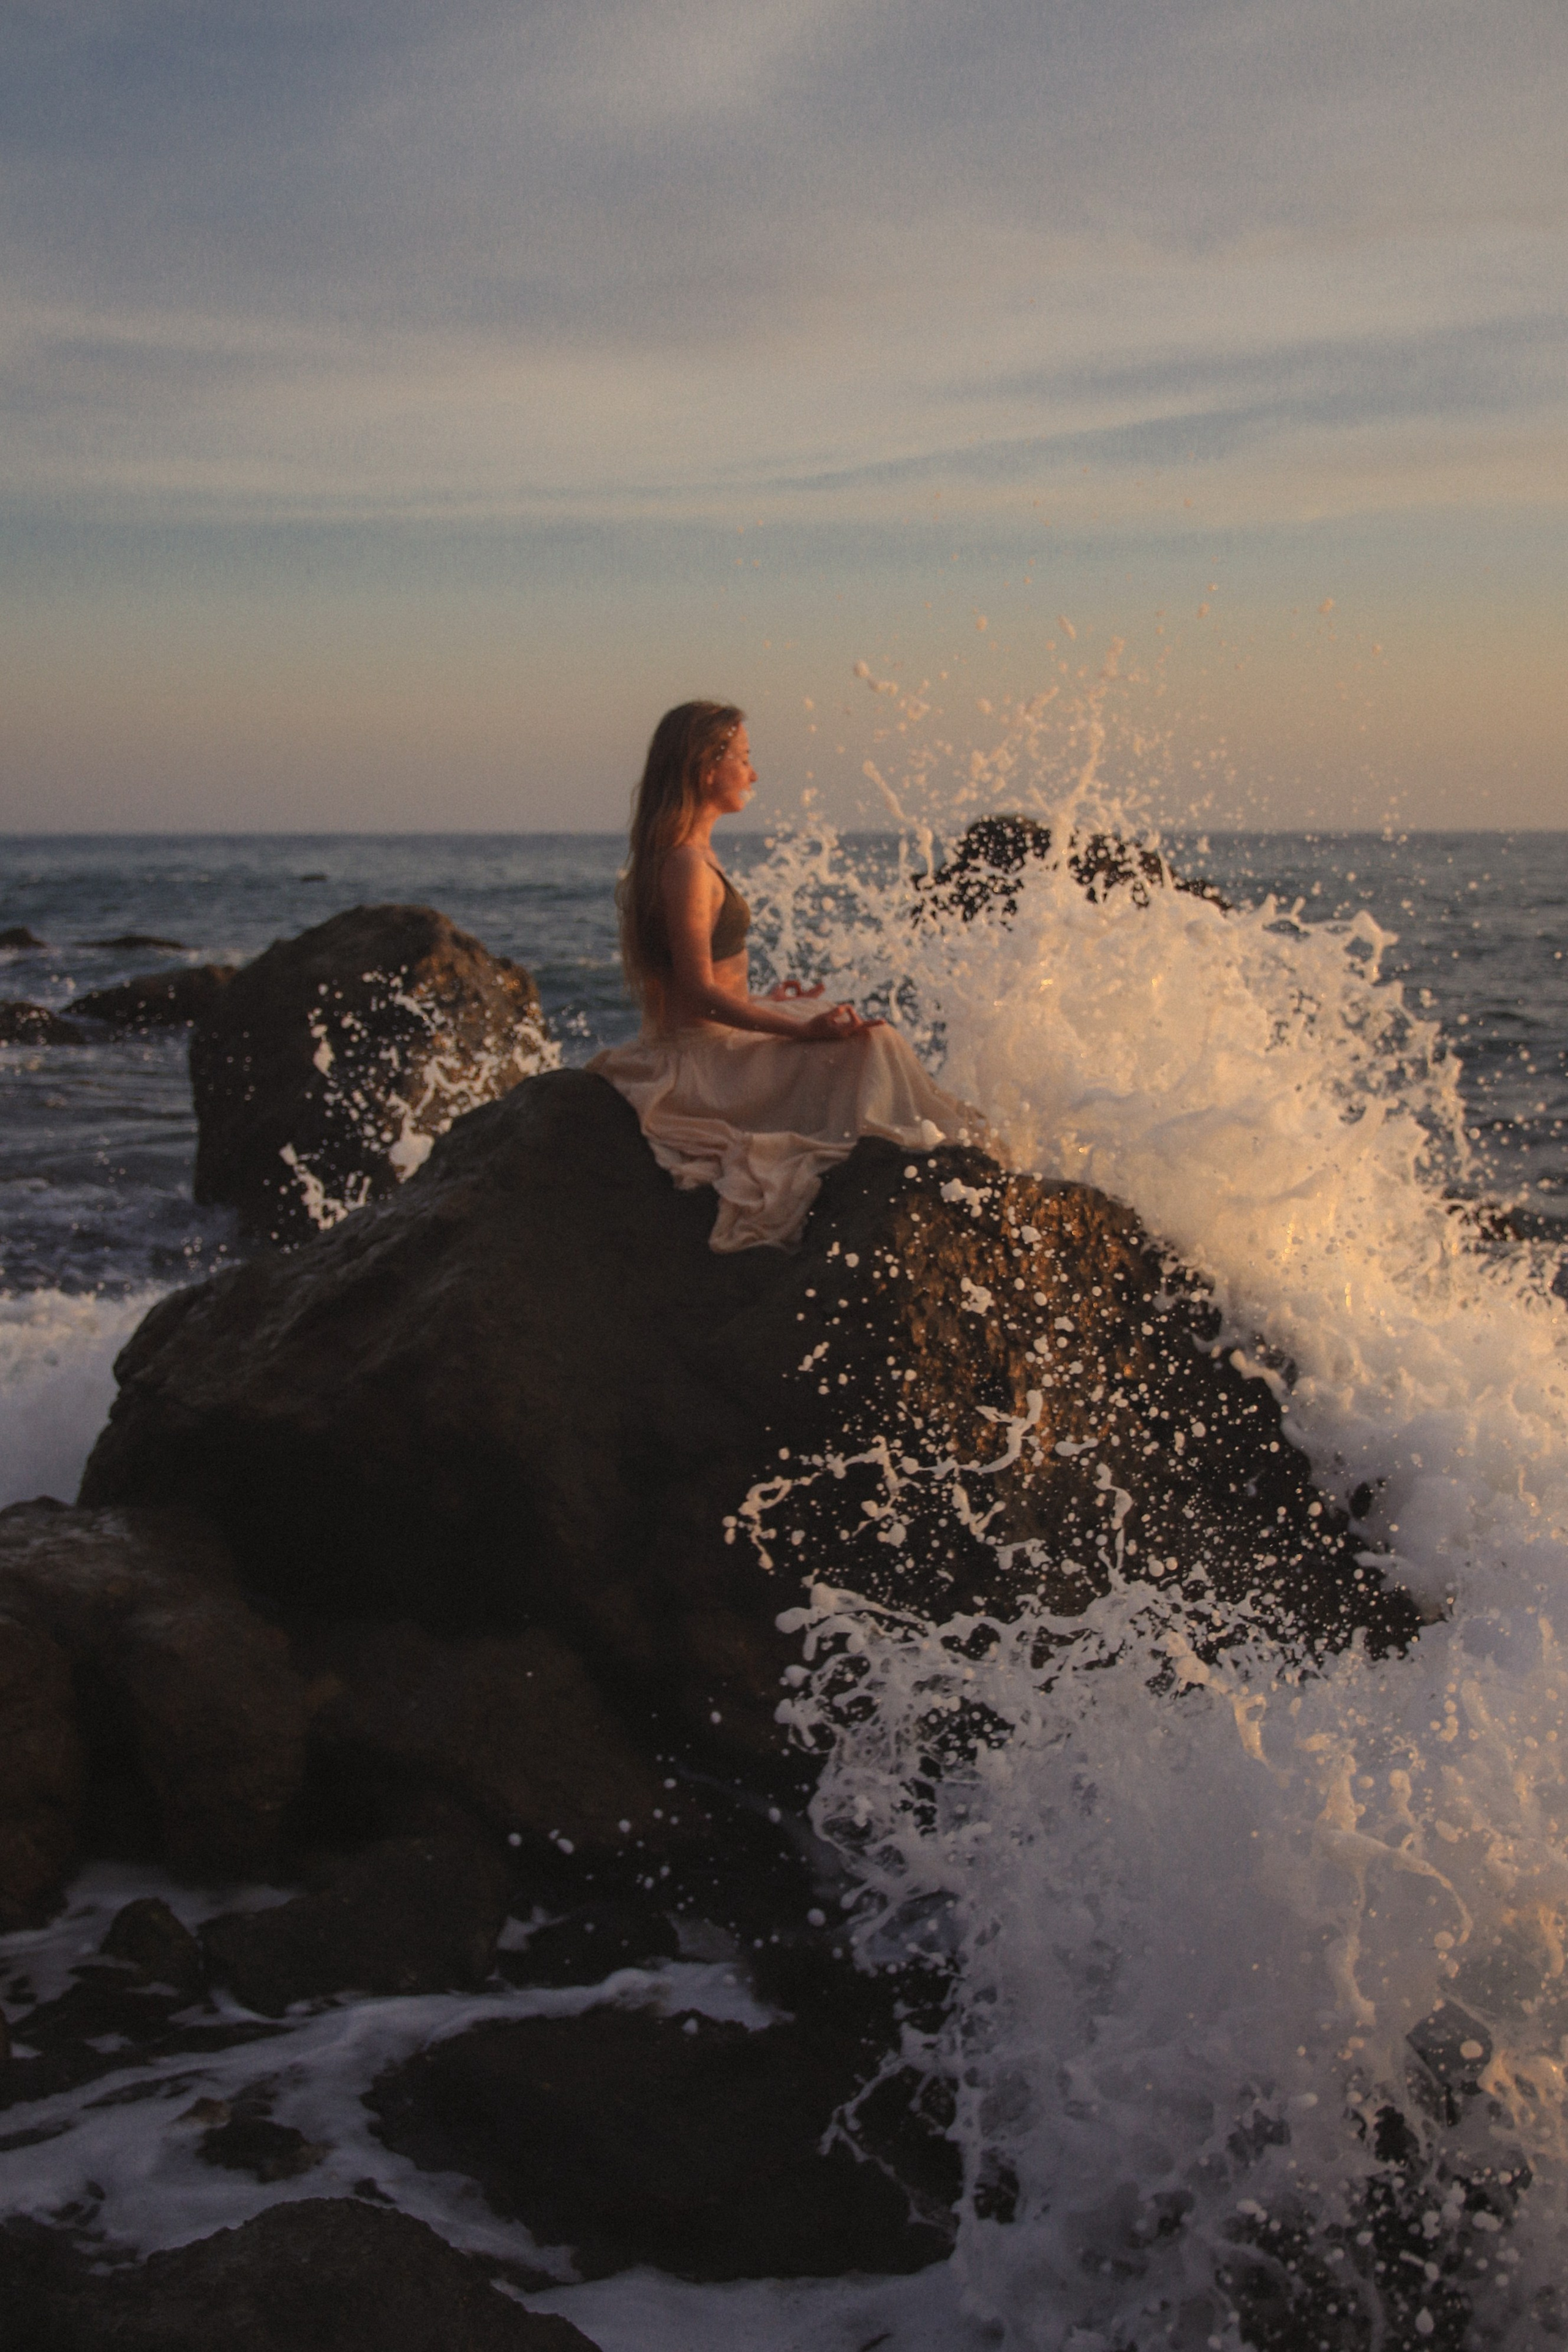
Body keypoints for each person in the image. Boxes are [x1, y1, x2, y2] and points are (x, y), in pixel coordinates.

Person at [587, 700, 991, 1251]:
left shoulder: (693, 855)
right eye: (744, 758)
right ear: (706, 767)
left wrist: (768, 1001)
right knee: (871, 1046)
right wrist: (798, 1029)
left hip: (719, 1040)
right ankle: (934, 1163)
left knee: (856, 1029)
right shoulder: (684, 865)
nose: (754, 774)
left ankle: (946, 1155)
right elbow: (698, 993)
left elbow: (704, 983)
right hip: (703, 1066)